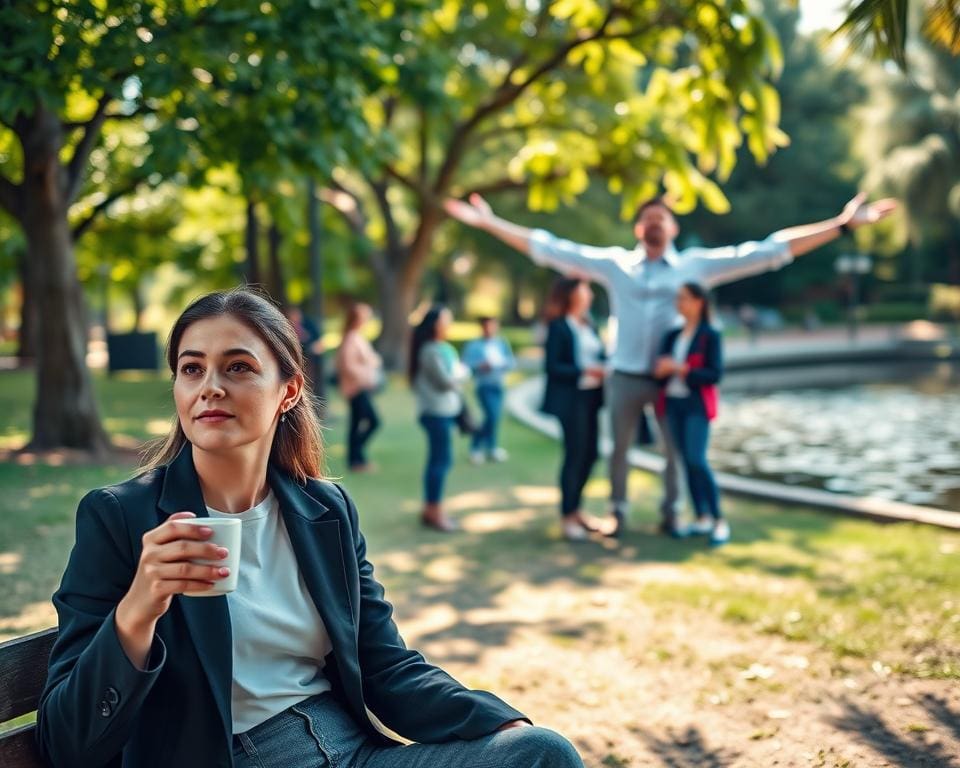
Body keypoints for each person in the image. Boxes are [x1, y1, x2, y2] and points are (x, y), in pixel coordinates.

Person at [37, 288, 583, 768]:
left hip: (349, 748)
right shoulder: (121, 518)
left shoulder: (326, 509)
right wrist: (138, 609)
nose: (210, 387)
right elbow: (65, 743)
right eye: (192, 368)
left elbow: (385, 664)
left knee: (542, 753)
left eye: (238, 367)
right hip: (229, 755)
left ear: (290, 390)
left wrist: (499, 724)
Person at [444, 191, 897, 537]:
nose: (654, 224)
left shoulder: (695, 267)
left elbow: (767, 252)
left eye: (661, 218)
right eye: (647, 218)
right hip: (624, 377)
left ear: (674, 228)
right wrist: (490, 223)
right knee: (617, 451)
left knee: (674, 453)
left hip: (668, 382)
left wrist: (841, 227)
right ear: (638, 228)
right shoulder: (615, 265)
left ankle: (671, 514)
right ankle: (618, 513)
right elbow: (549, 248)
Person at [654, 282, 728, 545]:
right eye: (678, 298)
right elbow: (660, 368)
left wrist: (681, 369)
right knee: (685, 461)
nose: (679, 303)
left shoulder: (710, 335)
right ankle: (702, 516)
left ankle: (719, 519)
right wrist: (662, 370)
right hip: (673, 404)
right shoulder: (673, 335)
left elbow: (714, 374)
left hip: (696, 404)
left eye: (684, 298)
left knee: (697, 459)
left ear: (699, 302)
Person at [541, 278, 606, 541]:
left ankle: (577, 509)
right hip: (571, 399)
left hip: (592, 397)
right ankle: (567, 514)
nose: (589, 293)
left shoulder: (589, 324)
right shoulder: (558, 326)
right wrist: (585, 370)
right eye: (584, 288)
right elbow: (553, 366)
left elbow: (599, 355)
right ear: (572, 293)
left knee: (591, 453)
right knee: (575, 453)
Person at [409, 305, 470, 532]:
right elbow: (446, 381)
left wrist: (458, 374)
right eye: (446, 320)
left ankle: (432, 509)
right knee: (440, 462)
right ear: (435, 324)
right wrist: (464, 372)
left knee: (440, 460)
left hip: (444, 412)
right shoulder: (430, 351)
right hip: (436, 413)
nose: (449, 323)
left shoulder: (441, 348)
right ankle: (434, 512)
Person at [335, 301, 382, 472]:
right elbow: (347, 365)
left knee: (356, 424)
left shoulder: (356, 337)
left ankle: (356, 460)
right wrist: (365, 376)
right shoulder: (351, 338)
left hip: (360, 387)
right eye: (365, 316)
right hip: (356, 389)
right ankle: (356, 456)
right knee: (373, 421)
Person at [462, 316, 515, 465]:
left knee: (494, 418)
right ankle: (475, 447)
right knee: (491, 416)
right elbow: (466, 364)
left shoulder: (502, 343)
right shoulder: (474, 345)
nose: (489, 329)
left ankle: (491, 447)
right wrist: (480, 366)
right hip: (484, 385)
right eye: (487, 326)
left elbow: (511, 362)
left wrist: (501, 363)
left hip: (499, 384)